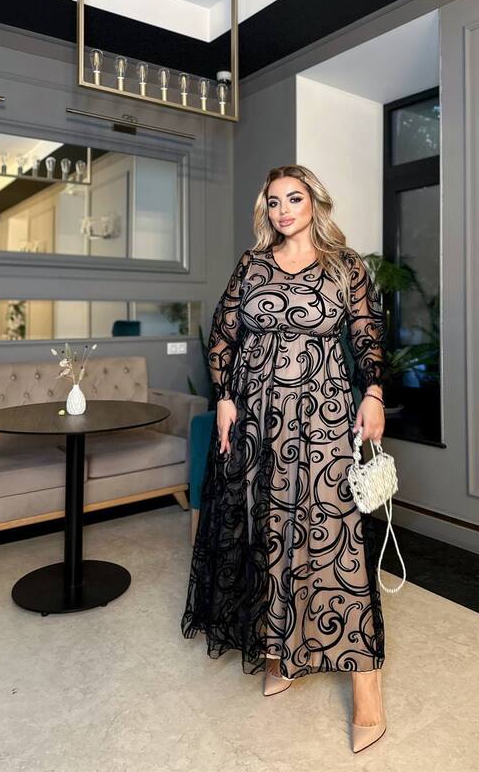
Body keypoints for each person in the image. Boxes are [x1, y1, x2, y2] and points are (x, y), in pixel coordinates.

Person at [181, 164, 388, 753]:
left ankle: (367, 686)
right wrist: (225, 398)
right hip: (255, 416)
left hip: (322, 415)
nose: (283, 210)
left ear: (314, 202)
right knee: (268, 530)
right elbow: (223, 336)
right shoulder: (252, 265)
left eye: (294, 199)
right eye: (273, 202)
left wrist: (373, 394)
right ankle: (280, 652)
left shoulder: (345, 267)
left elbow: (367, 337)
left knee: (334, 536)